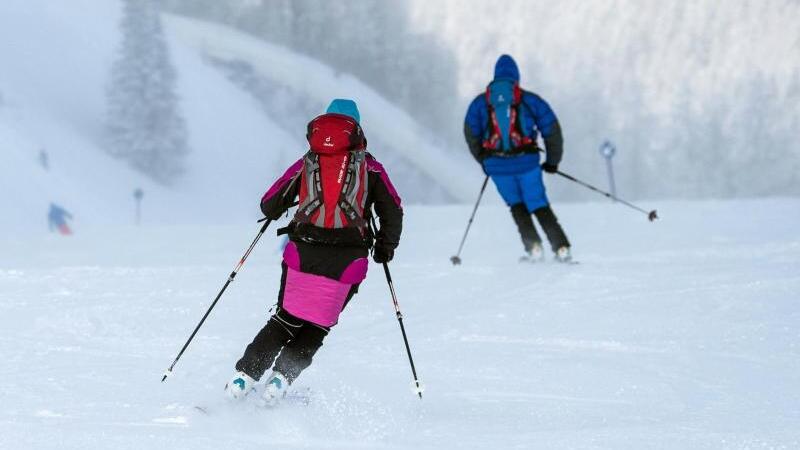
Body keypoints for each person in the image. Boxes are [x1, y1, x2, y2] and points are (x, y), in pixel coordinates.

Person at [225, 99, 403, 406]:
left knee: (284, 319)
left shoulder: (308, 162)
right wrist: (384, 249)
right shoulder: (371, 167)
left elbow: (269, 204)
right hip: (348, 260)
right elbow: (394, 210)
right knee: (318, 324)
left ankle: (244, 378)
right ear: (357, 129)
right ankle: (280, 380)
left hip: (302, 254)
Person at [464, 54, 572, 262]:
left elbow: (470, 133)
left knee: (517, 205)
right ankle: (561, 248)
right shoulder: (529, 100)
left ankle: (534, 249)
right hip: (527, 164)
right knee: (538, 203)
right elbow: (552, 130)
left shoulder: (480, 103)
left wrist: (484, 161)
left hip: (497, 166)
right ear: (517, 78)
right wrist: (552, 162)